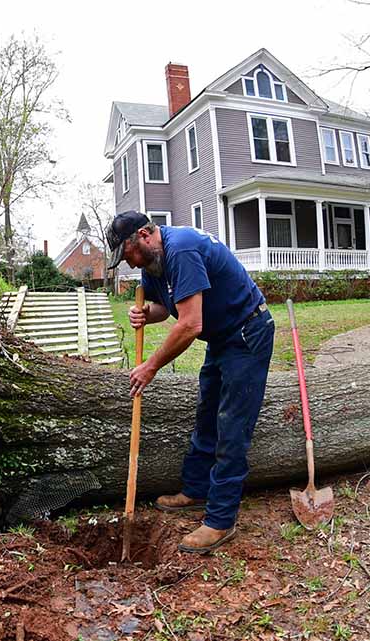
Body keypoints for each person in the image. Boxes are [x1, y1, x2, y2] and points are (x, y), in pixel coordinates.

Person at [106, 210, 274, 554]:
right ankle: (196, 490)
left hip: (247, 332)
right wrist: (144, 315)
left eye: (128, 255)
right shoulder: (154, 263)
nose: (130, 264)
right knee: (207, 412)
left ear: (144, 236)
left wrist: (150, 366)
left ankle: (221, 520)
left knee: (232, 425)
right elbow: (165, 309)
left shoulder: (180, 249)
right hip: (222, 337)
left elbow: (190, 323)